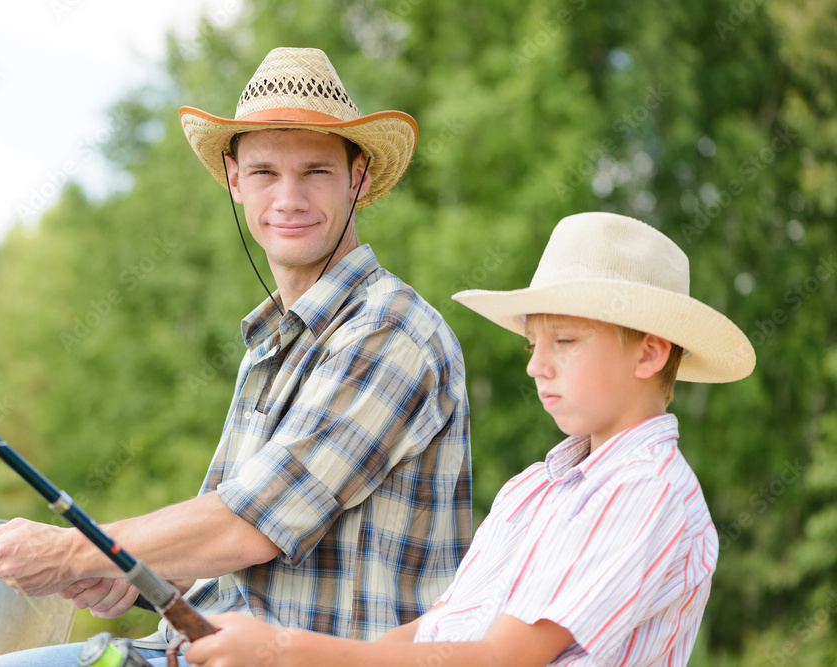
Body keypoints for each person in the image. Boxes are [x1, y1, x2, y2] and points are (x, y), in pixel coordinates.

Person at [0, 47, 471, 666]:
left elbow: (248, 528)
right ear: (234, 180)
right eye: (263, 173)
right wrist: (135, 573)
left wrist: (75, 551)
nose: (288, 198)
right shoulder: (272, 342)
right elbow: (226, 545)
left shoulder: (390, 333)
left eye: (315, 171)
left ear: (358, 179)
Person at [179, 211, 756, 667]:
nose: (537, 367)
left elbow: (502, 658)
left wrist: (287, 652)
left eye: (566, 342)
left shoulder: (647, 491)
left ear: (650, 352)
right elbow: (437, 633)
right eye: (534, 345)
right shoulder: (533, 491)